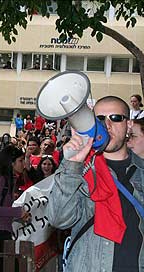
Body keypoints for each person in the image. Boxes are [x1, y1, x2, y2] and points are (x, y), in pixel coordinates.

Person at [47, 96, 144, 271]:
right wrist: (72, 164)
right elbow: (58, 219)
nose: (107, 125)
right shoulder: (79, 170)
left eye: (115, 118)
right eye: (99, 119)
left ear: (128, 125)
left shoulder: (142, 172)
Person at [0, 146, 31, 240]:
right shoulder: (0, 180)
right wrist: (17, 212)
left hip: (4, 231)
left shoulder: (9, 180)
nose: (23, 164)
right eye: (20, 161)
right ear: (11, 163)